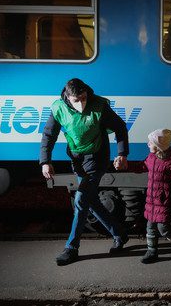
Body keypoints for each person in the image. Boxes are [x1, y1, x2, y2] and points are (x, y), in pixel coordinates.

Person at [40, 78, 129, 266]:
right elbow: (49, 135)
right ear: (67, 97)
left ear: (86, 93)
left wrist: (122, 154)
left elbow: (120, 127)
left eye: (83, 98)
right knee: (91, 201)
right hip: (78, 160)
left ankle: (71, 248)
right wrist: (45, 161)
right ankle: (119, 233)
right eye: (76, 100)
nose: (81, 104)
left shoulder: (99, 106)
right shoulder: (58, 108)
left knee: (81, 200)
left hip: (97, 158)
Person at [123, 129, 171, 265]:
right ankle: (152, 251)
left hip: (164, 200)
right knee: (150, 227)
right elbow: (141, 166)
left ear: (159, 146)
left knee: (163, 228)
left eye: (151, 142)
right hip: (152, 200)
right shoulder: (152, 157)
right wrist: (126, 164)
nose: (148, 144)